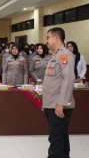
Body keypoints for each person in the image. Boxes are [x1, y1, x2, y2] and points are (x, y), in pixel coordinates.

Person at [43, 27, 75, 158]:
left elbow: (68, 79)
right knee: (60, 138)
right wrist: (45, 103)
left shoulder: (65, 55)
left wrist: (61, 103)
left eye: (48, 38)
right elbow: (53, 82)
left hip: (58, 106)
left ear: (55, 38)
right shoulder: (55, 55)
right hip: (52, 104)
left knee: (56, 140)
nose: (47, 41)